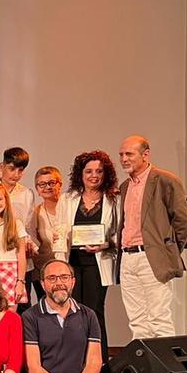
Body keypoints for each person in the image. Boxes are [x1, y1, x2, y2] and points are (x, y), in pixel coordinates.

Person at [117, 135, 187, 338]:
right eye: (121, 154)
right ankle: (145, 368)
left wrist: (168, 251)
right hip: (127, 257)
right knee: (137, 321)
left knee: (159, 318)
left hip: (152, 257)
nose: (124, 159)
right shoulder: (125, 186)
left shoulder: (166, 180)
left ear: (145, 154)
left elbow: (182, 222)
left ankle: (165, 370)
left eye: (129, 154)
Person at [61, 150, 119, 359]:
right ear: (80, 174)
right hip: (72, 263)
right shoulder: (68, 199)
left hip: (98, 263)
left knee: (94, 311)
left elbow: (119, 233)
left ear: (106, 174)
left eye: (99, 171)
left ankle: (99, 361)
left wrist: (104, 245)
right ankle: (76, 359)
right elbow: (59, 230)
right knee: (73, 311)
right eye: (89, 171)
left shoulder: (113, 199)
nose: (94, 175)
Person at [26, 166, 67, 300]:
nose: (47, 187)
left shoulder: (70, 207)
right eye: (42, 184)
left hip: (69, 268)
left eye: (51, 183)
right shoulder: (35, 213)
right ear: (37, 189)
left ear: (60, 184)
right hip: (44, 271)